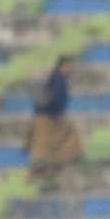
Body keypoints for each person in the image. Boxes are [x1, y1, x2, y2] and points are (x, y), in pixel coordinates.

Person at [26, 55, 82, 185]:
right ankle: (32, 174)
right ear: (63, 65)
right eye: (70, 65)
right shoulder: (58, 78)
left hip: (53, 118)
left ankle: (51, 172)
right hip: (48, 118)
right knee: (41, 149)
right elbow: (53, 98)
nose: (72, 69)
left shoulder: (59, 78)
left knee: (64, 142)